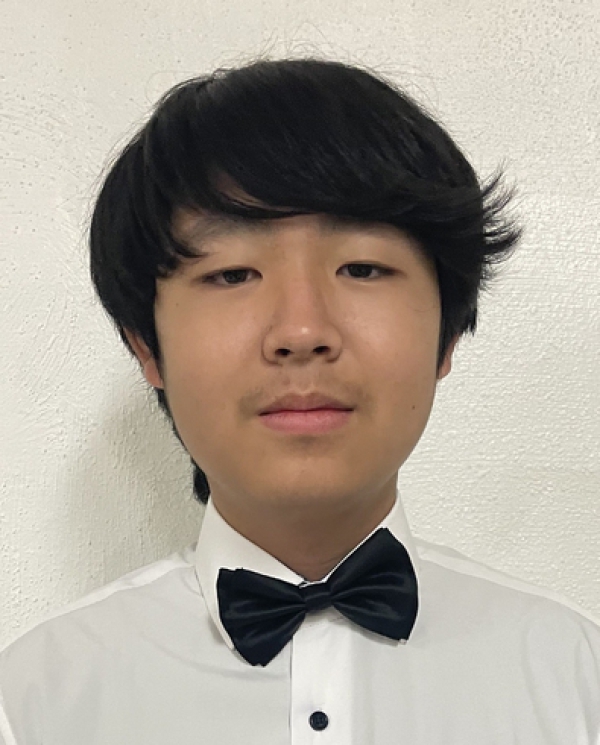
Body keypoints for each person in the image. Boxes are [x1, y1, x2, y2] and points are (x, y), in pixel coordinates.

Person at [1, 56, 598, 744]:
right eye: (232, 274)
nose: (302, 331)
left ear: (446, 335)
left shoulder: (577, 678)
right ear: (146, 346)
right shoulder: (32, 702)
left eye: (362, 267)